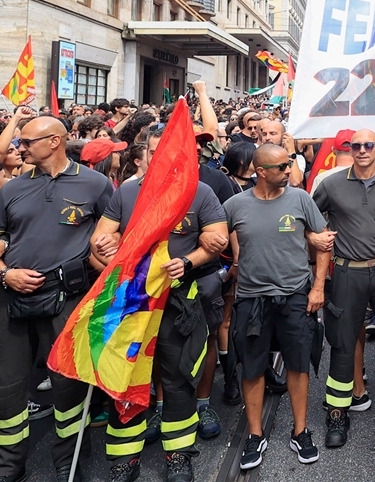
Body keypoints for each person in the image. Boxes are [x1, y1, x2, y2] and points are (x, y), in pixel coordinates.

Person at [88, 125, 229, 482]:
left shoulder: (200, 193)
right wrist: (106, 247)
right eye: (154, 152)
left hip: (178, 301)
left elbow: (217, 237)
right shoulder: (127, 193)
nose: (161, 159)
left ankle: (179, 455)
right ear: (145, 155)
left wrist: (190, 261)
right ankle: (124, 459)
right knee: (124, 378)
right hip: (131, 303)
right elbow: (102, 237)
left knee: (179, 378)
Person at [0, 116, 114, 482]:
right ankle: (6, 469)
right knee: (6, 389)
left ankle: (68, 463)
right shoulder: (10, 189)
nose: (18, 148)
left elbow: (111, 234)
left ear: (55, 141)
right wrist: (5, 273)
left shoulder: (96, 184)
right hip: (11, 299)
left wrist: (108, 247)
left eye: (26, 142)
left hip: (67, 299)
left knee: (69, 387)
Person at [225, 144, 331, 470]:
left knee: (299, 365)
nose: (288, 171)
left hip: (296, 296)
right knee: (253, 367)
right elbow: (215, 236)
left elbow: (324, 241)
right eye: (282, 167)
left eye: (289, 164)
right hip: (252, 300)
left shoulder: (300, 199)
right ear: (261, 172)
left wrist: (317, 288)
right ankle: (255, 435)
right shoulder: (234, 205)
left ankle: (300, 430)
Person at [313, 130, 375, 449]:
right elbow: (310, 221)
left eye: (368, 145)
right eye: (355, 146)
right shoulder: (331, 183)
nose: (362, 150)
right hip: (347, 272)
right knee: (342, 342)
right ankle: (338, 412)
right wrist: (313, 239)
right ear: (349, 150)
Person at [258, 119, 305, 188]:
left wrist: (291, 152)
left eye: (272, 133)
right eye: (264, 134)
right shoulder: (256, 156)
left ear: (284, 136)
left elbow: (295, 182)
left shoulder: (297, 158)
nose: (267, 138)